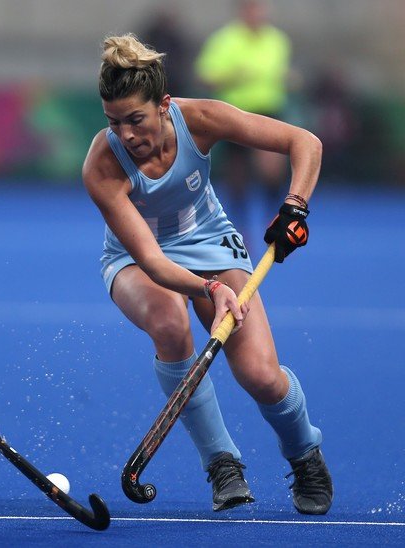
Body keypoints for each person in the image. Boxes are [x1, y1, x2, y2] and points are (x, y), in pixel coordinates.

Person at [82, 33, 333, 515]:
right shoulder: (102, 165)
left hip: (210, 241)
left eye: (136, 119)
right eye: (114, 122)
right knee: (169, 322)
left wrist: (294, 207)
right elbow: (154, 263)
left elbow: (305, 142)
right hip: (139, 258)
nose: (127, 135)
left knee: (260, 376)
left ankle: (305, 453)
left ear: (164, 105)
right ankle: (222, 463)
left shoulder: (201, 119)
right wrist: (211, 289)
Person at [194, 0, 292, 243]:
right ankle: (241, 227)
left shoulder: (278, 41)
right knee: (237, 174)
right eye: (252, 8)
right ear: (242, 11)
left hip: (269, 111)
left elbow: (279, 75)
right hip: (234, 114)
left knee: (272, 169)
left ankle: (275, 221)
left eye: (261, 8)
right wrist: (234, 77)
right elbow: (205, 76)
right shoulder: (224, 40)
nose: (257, 13)